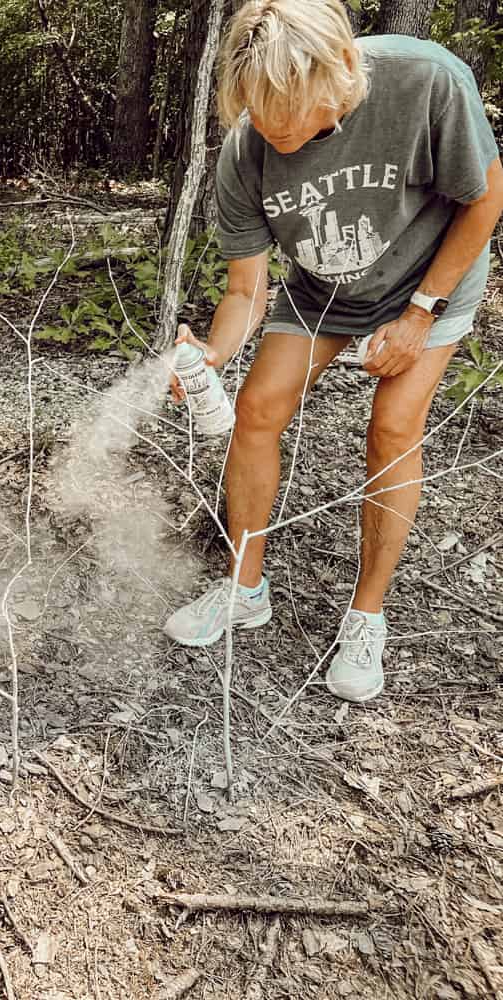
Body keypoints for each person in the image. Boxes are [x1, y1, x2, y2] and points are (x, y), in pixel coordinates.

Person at [162, 0, 503, 702]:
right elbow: (247, 291)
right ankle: (244, 587)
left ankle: (366, 615)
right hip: (324, 288)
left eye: (291, 115)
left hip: (429, 281)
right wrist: (214, 358)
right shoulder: (249, 146)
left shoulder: (424, 80)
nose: (276, 134)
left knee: (393, 429)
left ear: (340, 72)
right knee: (256, 410)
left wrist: (418, 314)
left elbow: (485, 199)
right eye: (262, 115)